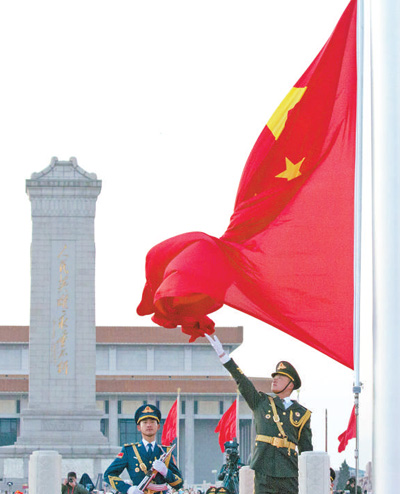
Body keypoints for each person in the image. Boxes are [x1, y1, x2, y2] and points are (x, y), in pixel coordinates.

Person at [206, 334, 312, 494]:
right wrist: (224, 357)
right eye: (274, 376)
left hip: (289, 472)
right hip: (264, 469)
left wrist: (309, 479)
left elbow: (306, 450)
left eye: (280, 377)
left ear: (291, 385)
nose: (275, 379)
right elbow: (242, 381)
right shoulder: (261, 403)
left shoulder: (302, 414)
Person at [104, 404, 183, 494]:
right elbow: (109, 474)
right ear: (139, 427)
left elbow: (179, 483)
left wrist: (166, 472)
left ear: (158, 426)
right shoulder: (129, 451)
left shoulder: (165, 452)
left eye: (152, 422)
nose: (149, 425)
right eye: (145, 422)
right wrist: (128, 489)